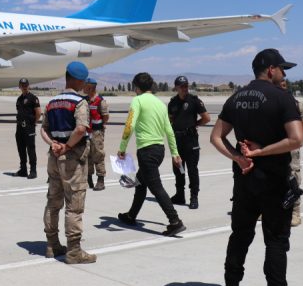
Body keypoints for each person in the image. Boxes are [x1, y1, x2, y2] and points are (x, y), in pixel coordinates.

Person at [209, 49, 303, 286]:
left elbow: (216, 137)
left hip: (244, 180)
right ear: (271, 69)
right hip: (273, 181)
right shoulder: (282, 97)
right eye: (282, 69)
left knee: (240, 234)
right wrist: (260, 152)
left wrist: (239, 158)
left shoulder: (236, 97)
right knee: (275, 241)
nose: (284, 74)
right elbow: (296, 139)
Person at [41, 61, 97, 264]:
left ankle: (52, 245)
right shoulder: (79, 102)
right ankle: (74, 251)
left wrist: (54, 144)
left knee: (53, 202)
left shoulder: (52, 102)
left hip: (54, 158)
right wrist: (67, 146)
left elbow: (43, 129)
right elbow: (81, 129)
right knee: (74, 206)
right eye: (82, 81)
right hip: (72, 160)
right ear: (77, 80)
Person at [117, 72, 186, 237]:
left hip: (146, 151)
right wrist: (175, 153)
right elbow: (169, 130)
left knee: (156, 187)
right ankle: (131, 215)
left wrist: (122, 148)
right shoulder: (160, 103)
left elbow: (129, 125)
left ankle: (175, 221)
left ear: (137, 87)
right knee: (140, 183)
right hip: (159, 150)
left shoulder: (138, 100)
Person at [168, 76, 210, 209]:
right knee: (178, 168)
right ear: (176, 87)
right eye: (182, 86)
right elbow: (170, 121)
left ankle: (194, 197)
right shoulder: (172, 103)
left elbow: (206, 118)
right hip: (177, 140)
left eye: (186, 86)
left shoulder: (194, 101)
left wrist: (195, 124)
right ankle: (180, 195)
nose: (185, 88)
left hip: (190, 141)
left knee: (192, 169)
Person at [279, 79, 303, 227]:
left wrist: (293, 138)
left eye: (284, 85)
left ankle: (295, 212)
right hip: (273, 146)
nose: (281, 87)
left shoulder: (296, 105)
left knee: (293, 177)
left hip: (291, 148)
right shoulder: (269, 102)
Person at [83, 78, 109, 191]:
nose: (83, 88)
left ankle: (100, 180)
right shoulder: (84, 100)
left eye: (85, 86)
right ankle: (88, 178)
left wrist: (100, 127)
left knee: (98, 155)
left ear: (90, 87)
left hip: (96, 132)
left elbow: (105, 117)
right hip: (86, 132)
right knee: (86, 155)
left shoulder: (100, 101)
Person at [15, 78, 41, 179]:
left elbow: (38, 113)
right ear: (19, 87)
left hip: (29, 128)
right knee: (21, 149)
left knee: (31, 149)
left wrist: (33, 123)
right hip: (19, 128)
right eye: (22, 85)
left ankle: (33, 171)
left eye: (26, 85)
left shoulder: (33, 98)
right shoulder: (19, 99)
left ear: (28, 86)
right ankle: (23, 169)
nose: (24, 87)